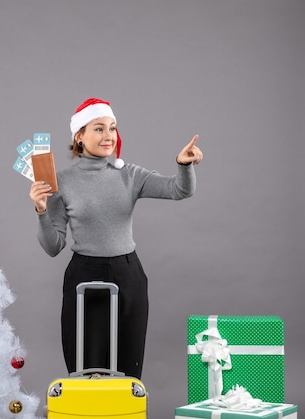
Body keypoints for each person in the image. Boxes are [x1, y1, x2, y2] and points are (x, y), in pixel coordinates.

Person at [29, 97, 203, 379]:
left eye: (112, 128)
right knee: (85, 368)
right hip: (83, 275)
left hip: (128, 275)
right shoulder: (60, 183)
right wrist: (40, 211)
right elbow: (53, 247)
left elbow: (179, 190)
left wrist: (183, 165)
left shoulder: (130, 175)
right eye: (99, 128)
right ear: (79, 136)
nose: (108, 135)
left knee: (128, 366)